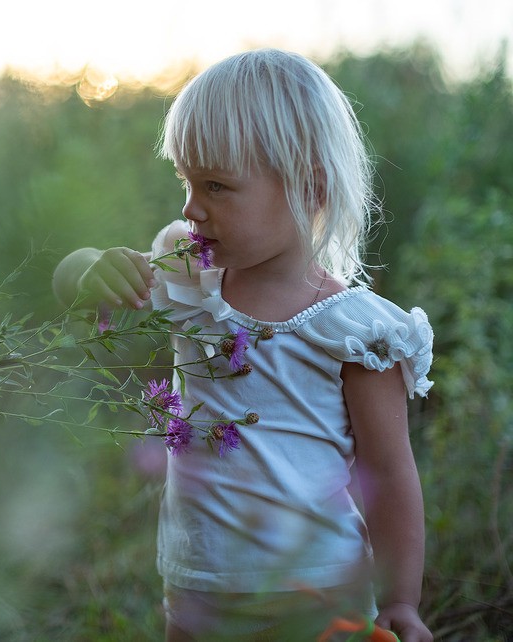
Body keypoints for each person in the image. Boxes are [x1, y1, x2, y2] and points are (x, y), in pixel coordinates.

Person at [52, 49, 434, 641]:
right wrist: (88, 271)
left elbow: (389, 473)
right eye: (185, 180)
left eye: (217, 185)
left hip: (315, 588)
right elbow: (75, 288)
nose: (190, 207)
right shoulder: (187, 281)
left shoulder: (355, 332)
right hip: (197, 581)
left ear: (310, 188)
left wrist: (402, 600)